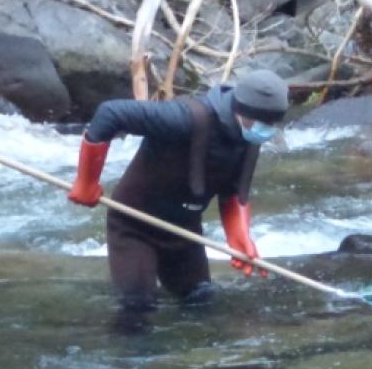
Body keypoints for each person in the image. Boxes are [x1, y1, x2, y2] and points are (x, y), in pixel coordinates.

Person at [66, 69, 289, 321]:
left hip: (184, 230)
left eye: (271, 125)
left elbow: (233, 193)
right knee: (137, 308)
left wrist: (239, 238)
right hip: (135, 226)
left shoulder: (248, 139)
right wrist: (87, 181)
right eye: (261, 124)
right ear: (240, 111)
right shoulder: (184, 117)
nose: (266, 131)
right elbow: (110, 113)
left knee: (201, 302)